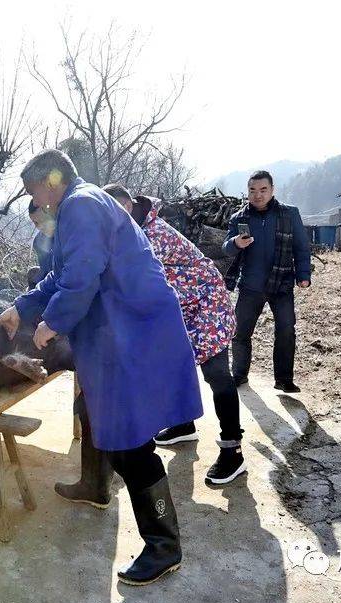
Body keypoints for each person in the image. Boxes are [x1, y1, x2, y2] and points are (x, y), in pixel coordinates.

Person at [0, 150, 202, 586]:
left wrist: (51, 323)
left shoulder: (80, 205)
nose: (35, 200)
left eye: (34, 191)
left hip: (133, 333)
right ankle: (95, 485)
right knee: (96, 413)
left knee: (130, 442)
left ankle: (164, 545)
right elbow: (61, 275)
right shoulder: (81, 206)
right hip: (118, 332)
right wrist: (21, 306)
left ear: (50, 184)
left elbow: (81, 277)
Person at [100, 184, 245, 485]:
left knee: (217, 375)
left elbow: (124, 280)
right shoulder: (133, 230)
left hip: (206, 303)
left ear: (128, 207)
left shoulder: (151, 235)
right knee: (172, 366)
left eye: (114, 212)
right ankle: (183, 425)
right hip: (181, 306)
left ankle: (233, 452)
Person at [223, 170, 312, 393]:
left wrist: (303, 275)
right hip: (250, 285)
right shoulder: (239, 218)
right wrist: (235, 243)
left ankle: (284, 379)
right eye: (253, 190)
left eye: (263, 190)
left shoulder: (290, 215)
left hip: (281, 284)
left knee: (285, 330)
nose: (258, 195)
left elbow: (301, 247)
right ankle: (239, 374)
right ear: (248, 192)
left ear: (272, 190)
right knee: (241, 332)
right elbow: (226, 248)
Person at [27, 199, 55, 288]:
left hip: (69, 280)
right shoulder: (38, 241)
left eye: (43, 220)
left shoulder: (68, 232)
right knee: (32, 273)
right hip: (51, 280)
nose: (39, 226)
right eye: (35, 222)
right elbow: (45, 269)